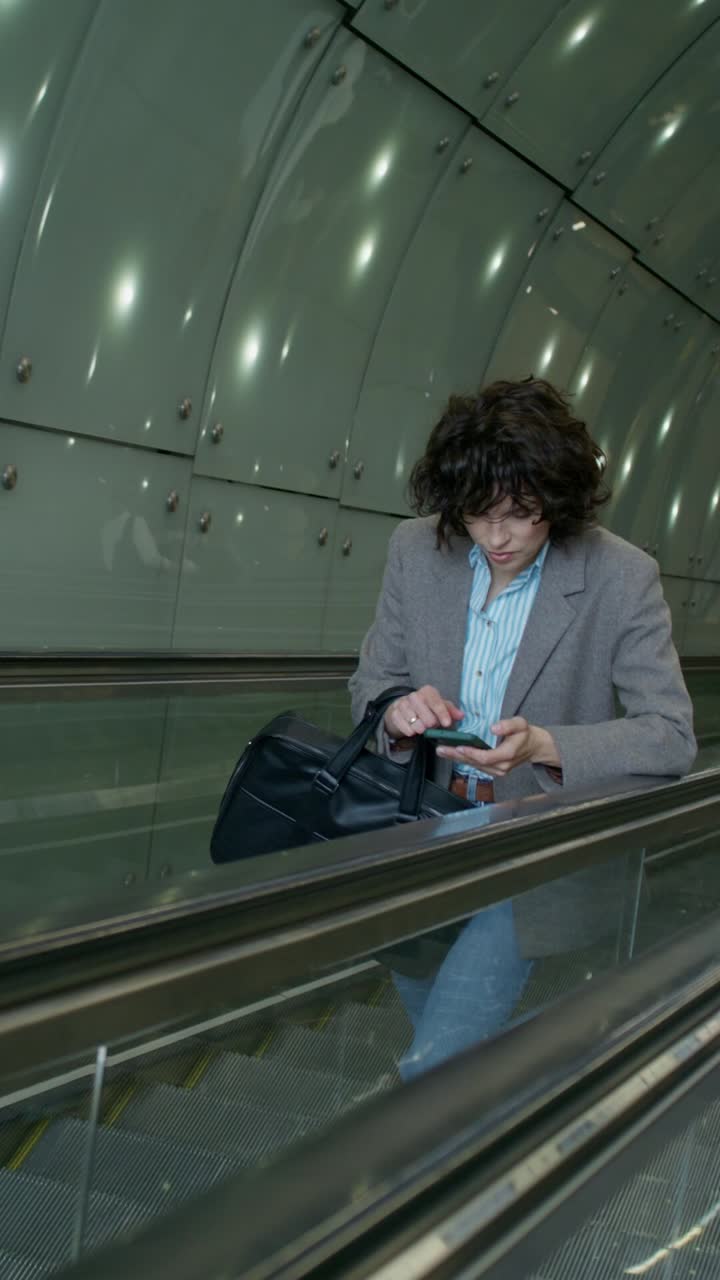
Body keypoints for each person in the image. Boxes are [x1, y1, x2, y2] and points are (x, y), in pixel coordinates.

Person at [348, 376, 696, 1078]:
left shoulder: (621, 576)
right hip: (422, 832)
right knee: (447, 1053)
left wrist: (547, 745)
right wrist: (397, 711)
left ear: (557, 498)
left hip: (533, 851)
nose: (496, 536)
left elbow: (671, 735)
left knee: (435, 1064)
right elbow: (371, 684)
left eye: (520, 513)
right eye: (477, 514)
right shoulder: (417, 551)